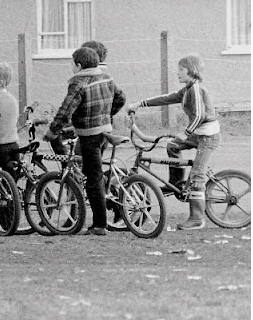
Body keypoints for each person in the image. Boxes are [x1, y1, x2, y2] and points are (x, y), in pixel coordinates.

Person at [127, 55, 220, 230]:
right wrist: (140, 104)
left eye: (181, 70)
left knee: (196, 176)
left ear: (192, 71)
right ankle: (176, 183)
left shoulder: (196, 89)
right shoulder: (187, 90)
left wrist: (186, 133)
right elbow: (167, 98)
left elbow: (200, 116)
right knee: (172, 145)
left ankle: (197, 219)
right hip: (199, 134)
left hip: (207, 136)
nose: (177, 73)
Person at [44, 47, 125, 236]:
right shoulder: (107, 77)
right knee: (93, 172)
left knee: (93, 180)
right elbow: (121, 98)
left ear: (79, 65)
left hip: (89, 134)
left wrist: (52, 131)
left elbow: (66, 109)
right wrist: (106, 115)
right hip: (105, 130)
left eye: (72, 64)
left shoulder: (79, 83)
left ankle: (99, 225)